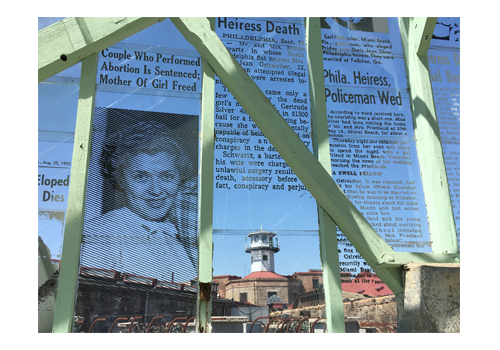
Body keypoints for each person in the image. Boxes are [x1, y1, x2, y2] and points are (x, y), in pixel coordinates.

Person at [82, 120, 197, 282]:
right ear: (120, 179)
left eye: (167, 176)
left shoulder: (177, 235)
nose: (156, 191)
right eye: (141, 177)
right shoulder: (100, 233)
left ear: (179, 178)